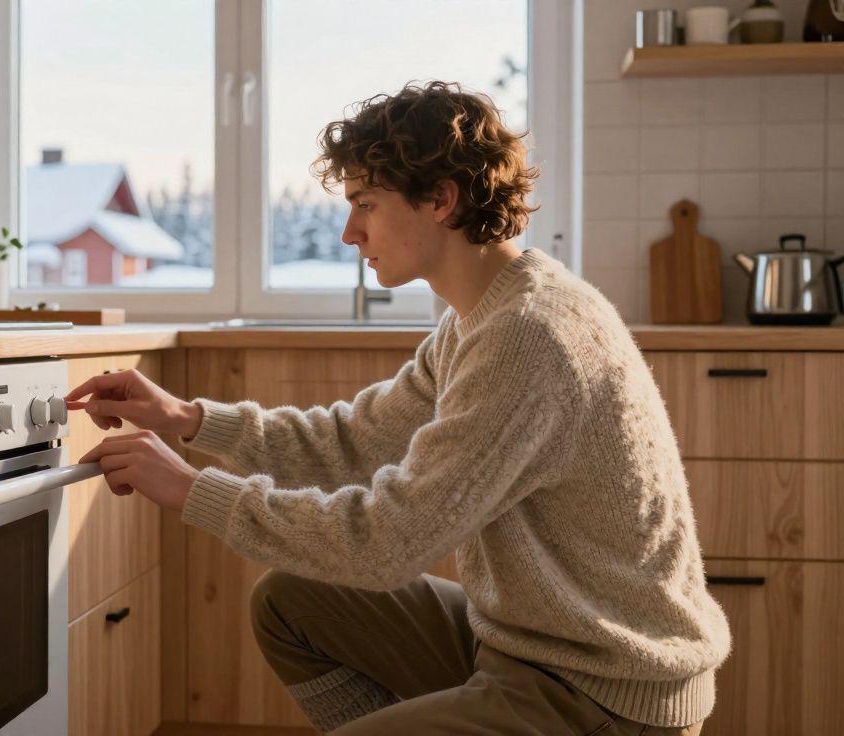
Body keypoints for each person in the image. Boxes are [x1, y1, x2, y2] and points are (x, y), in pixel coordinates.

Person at [65, 81, 728, 735]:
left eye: (367, 204)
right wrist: (190, 419)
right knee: (289, 603)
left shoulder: (529, 335)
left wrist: (189, 489)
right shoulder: (477, 316)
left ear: (440, 199)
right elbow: (355, 440)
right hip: (528, 646)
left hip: (604, 691)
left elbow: (389, 541)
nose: (351, 231)